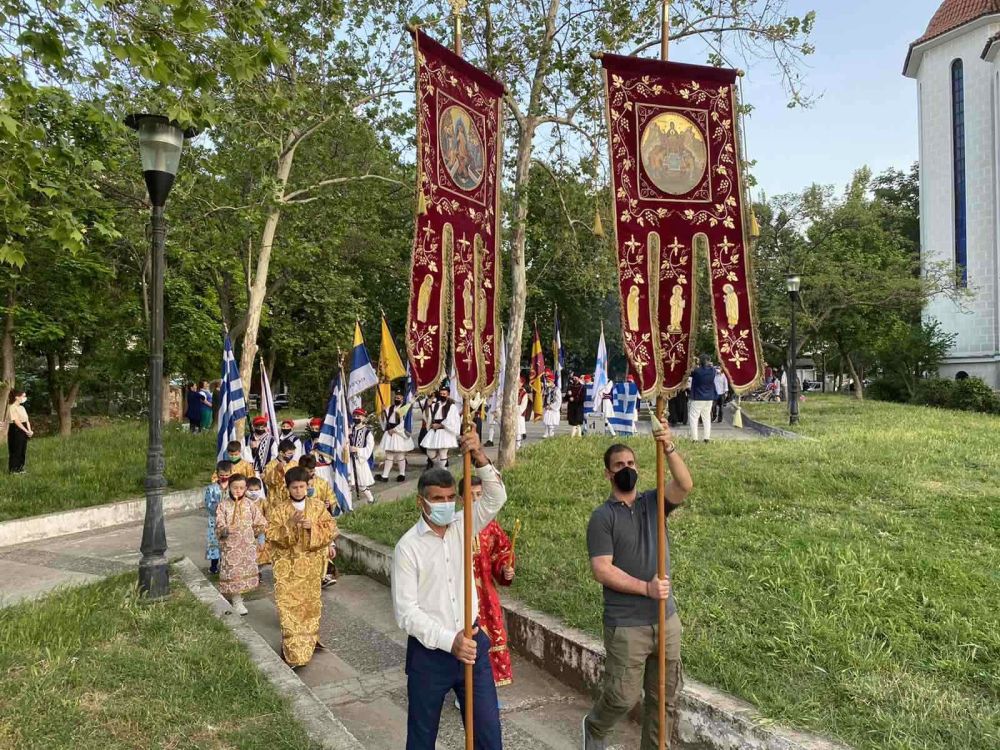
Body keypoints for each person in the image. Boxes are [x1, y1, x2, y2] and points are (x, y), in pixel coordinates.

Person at [391, 430, 507, 750]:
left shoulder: (463, 524)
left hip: (472, 644)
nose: (445, 504)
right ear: (421, 501)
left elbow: (496, 497)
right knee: (421, 737)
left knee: (488, 735)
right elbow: (406, 613)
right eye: (437, 499)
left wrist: (479, 456)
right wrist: (448, 641)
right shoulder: (407, 548)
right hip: (430, 654)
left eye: (449, 498)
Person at [583, 419, 694, 750]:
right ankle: (595, 726)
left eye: (631, 463)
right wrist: (646, 588)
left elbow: (684, 484)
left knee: (665, 698)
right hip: (627, 623)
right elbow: (602, 570)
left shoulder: (653, 503)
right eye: (619, 465)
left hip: (665, 619)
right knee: (623, 696)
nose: (626, 469)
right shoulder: (603, 517)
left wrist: (668, 446)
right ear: (608, 474)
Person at [267, 466, 336, 668]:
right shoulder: (279, 509)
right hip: (287, 569)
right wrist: (289, 524)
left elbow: (331, 529)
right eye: (294, 487)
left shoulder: (317, 506)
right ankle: (293, 650)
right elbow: (271, 535)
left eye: (302, 487)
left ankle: (310, 640)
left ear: (308, 486)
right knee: (288, 607)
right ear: (287, 488)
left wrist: (312, 527)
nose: (298, 491)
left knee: (310, 606)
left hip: (311, 568)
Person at [468, 475, 515, 691]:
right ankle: (466, 689)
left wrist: (505, 568)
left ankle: (488, 689)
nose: (475, 499)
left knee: (492, 637)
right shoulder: (455, 525)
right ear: (461, 499)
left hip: (487, 595)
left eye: (479, 494)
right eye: (470, 495)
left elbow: (501, 553)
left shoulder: (491, 526)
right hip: (463, 595)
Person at [215, 473, 266, 616]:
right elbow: (218, 525)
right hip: (231, 546)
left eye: (241, 488)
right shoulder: (223, 506)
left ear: (245, 488)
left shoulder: (250, 504)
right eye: (235, 487)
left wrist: (260, 538)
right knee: (233, 573)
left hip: (247, 545)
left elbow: (260, 523)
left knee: (245, 573)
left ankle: (240, 597)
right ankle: (236, 600)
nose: (238, 490)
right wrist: (225, 530)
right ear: (229, 488)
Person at [420, 385, 460, 470]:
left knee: (443, 453)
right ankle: (440, 467)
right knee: (430, 452)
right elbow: (427, 416)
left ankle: (444, 471)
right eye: (441, 393)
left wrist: (441, 425)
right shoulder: (435, 405)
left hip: (445, 431)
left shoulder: (452, 407)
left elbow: (453, 420)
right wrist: (428, 406)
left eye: (444, 394)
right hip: (434, 431)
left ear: (448, 394)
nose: (442, 395)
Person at [204, 461, 232, 574]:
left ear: (231, 473)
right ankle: (214, 566)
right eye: (221, 475)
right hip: (214, 520)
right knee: (215, 543)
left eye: (226, 475)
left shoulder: (232, 487)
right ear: (217, 474)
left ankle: (226, 565)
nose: (224, 477)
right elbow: (208, 504)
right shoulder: (211, 488)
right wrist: (218, 508)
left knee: (228, 542)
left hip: (229, 520)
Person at [380, 391, 414, 483]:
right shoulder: (390, 408)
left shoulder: (404, 409)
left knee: (400, 455)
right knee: (389, 455)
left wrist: (394, 430)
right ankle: (385, 475)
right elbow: (384, 420)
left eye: (398, 398)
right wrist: (383, 411)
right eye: (396, 398)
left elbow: (404, 423)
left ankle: (402, 474)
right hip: (389, 433)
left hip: (399, 434)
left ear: (402, 399)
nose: (396, 399)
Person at [348, 408, 377, 504]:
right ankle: (348, 504)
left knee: (361, 484)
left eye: (358, 416)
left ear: (363, 418)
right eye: (354, 416)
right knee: (348, 483)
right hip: (349, 460)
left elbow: (369, 448)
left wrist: (357, 450)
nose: (356, 418)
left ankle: (371, 500)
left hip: (359, 460)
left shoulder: (367, 432)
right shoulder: (350, 430)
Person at [688, 355, 717, 442]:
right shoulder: (713, 371)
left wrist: (694, 362)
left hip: (697, 397)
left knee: (694, 418)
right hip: (709, 397)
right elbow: (712, 367)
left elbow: (690, 371)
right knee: (707, 418)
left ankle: (694, 439)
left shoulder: (697, 371)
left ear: (700, 361)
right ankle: (706, 438)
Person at [263, 439, 299, 503]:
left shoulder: (295, 464)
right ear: (281, 453)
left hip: (290, 498)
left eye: (293, 453)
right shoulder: (270, 465)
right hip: (275, 499)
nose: (292, 455)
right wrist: (277, 470)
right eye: (289, 453)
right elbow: (267, 481)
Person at [5, 390, 32, 474]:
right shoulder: (12, 407)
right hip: (16, 430)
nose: (25, 398)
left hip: (24, 428)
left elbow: (27, 420)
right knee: (15, 449)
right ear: (17, 397)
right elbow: (16, 421)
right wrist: (25, 430)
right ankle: (13, 469)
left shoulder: (22, 408)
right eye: (23, 396)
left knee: (22, 449)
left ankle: (20, 467)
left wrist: (29, 430)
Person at [245, 476, 268, 559]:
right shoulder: (244, 502)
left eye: (256, 490)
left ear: (260, 489)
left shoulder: (263, 502)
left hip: (260, 530)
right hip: (247, 529)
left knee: (261, 547)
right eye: (251, 490)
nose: (253, 492)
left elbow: (268, 515)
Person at [542, 370, 561, 439]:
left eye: (548, 381)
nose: (547, 383)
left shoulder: (557, 389)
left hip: (552, 408)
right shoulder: (546, 389)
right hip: (546, 407)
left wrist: (551, 406)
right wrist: (544, 404)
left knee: (551, 422)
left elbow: (558, 400)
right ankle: (546, 432)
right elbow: (544, 397)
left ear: (552, 381)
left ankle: (551, 433)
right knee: (546, 421)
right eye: (547, 381)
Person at [516, 376, 529, 449]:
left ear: (522, 383)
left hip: (519, 414)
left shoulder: (524, 394)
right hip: (512, 414)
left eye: (519, 382)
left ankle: (518, 445)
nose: (517, 383)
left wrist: (516, 410)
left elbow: (523, 406)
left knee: (518, 430)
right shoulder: (513, 391)